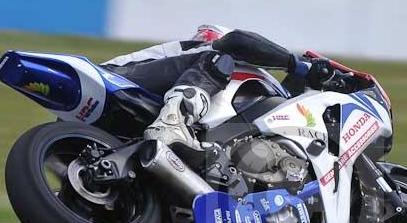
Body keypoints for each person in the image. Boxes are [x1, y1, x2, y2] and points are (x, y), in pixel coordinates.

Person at [101, 25, 336, 151]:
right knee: (217, 58)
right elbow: (238, 42)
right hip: (115, 78)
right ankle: (173, 120)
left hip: (116, 124)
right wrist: (299, 66)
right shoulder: (202, 49)